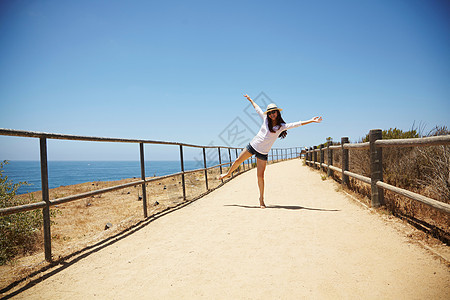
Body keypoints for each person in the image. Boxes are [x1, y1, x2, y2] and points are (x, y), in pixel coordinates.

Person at [219, 94, 323, 208]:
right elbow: (257, 108)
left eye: (274, 112)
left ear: (277, 113)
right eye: (270, 112)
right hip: (253, 146)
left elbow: (296, 124)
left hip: (263, 152)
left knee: (260, 176)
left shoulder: (281, 126)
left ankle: (261, 199)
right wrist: (251, 100)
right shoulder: (265, 119)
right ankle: (228, 174)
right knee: (238, 160)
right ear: (268, 114)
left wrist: (311, 121)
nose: (272, 114)